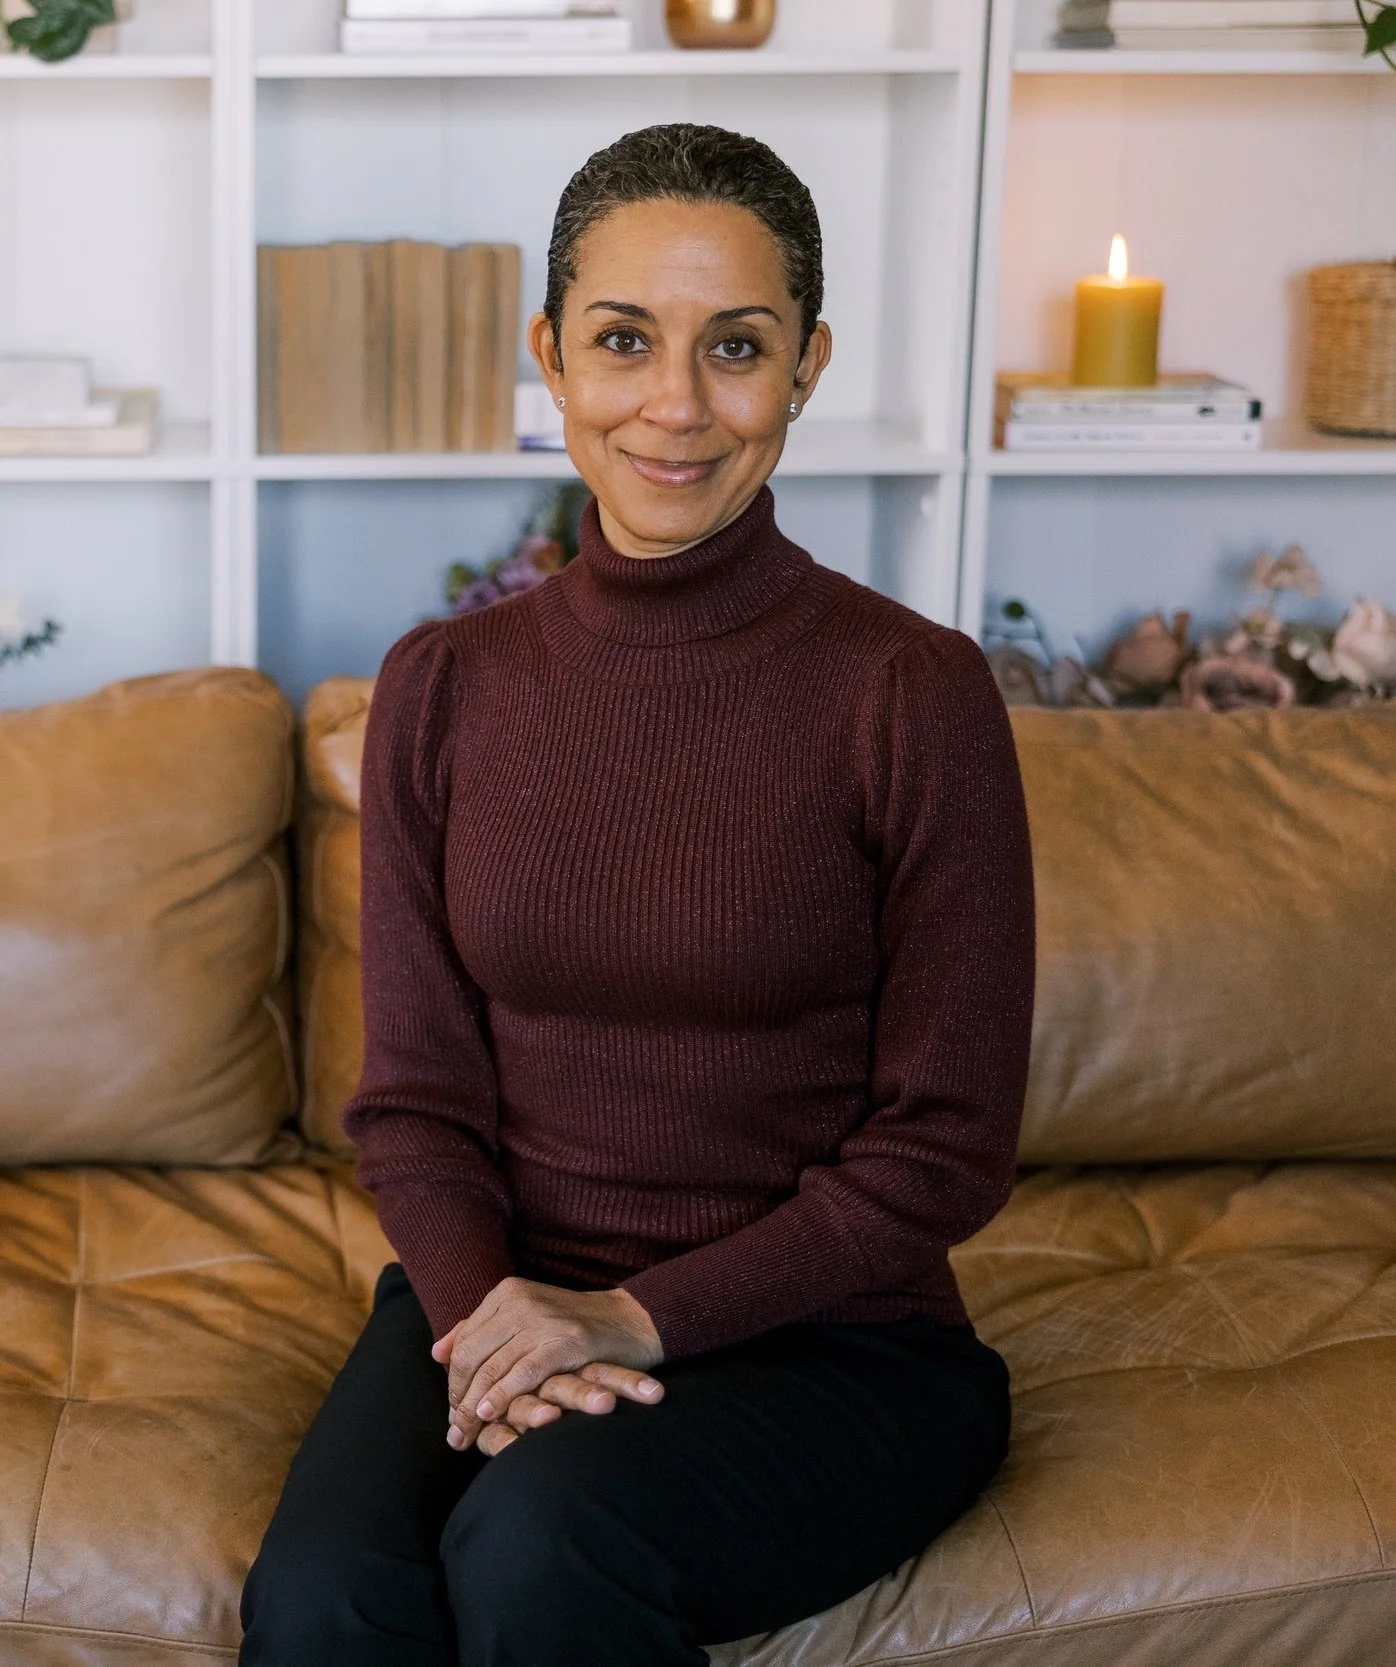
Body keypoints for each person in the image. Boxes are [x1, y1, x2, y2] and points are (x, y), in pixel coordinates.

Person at [239, 121, 1036, 1667]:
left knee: (544, 1542)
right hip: (499, 1292)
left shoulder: (911, 694)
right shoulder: (444, 686)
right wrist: (497, 1330)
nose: (676, 406)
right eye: (623, 341)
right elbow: (413, 1107)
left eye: (735, 347)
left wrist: (629, 1320)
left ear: (806, 367)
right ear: (552, 356)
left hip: (836, 1337)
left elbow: (945, 1148)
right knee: (327, 1597)